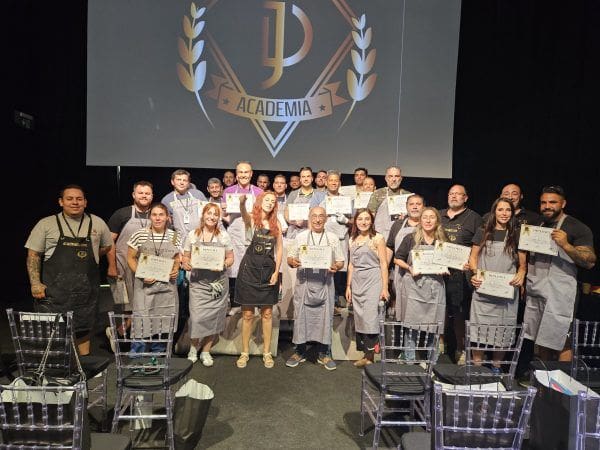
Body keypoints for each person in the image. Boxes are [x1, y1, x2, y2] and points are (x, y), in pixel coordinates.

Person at [25, 185, 112, 355]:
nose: (75, 202)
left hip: (86, 292)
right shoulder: (46, 224)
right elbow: (33, 254)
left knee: (84, 330)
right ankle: (56, 364)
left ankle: (83, 365)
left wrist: (92, 257)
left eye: (79, 199)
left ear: (85, 202)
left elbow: (106, 247)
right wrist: (35, 283)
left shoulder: (97, 223)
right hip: (54, 293)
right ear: (61, 202)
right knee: (54, 333)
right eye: (70, 199)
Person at [523, 186, 596, 361]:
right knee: (541, 338)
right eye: (543, 202)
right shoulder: (536, 226)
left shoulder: (576, 227)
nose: (547, 206)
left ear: (563, 204)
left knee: (562, 339)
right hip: (537, 289)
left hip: (560, 293)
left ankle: (562, 378)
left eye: (552, 202)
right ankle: (545, 376)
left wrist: (566, 245)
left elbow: (590, 261)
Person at [468, 197, 527, 372]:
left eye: (508, 210)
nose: (504, 213)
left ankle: (496, 366)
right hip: (483, 289)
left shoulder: (517, 234)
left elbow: (523, 264)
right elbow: (473, 257)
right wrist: (475, 273)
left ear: (512, 213)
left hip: (506, 290)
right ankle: (477, 366)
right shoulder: (483, 231)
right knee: (479, 329)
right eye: (500, 209)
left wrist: (521, 274)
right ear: (494, 212)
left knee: (503, 329)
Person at [286, 206, 345, 370]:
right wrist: (293, 262)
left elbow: (340, 261)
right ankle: (299, 351)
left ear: (326, 218)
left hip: (325, 284)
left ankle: (324, 353)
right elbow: (290, 258)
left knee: (325, 318)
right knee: (301, 317)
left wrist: (336, 266)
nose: (318, 219)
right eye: (314, 216)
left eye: (321, 216)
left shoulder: (332, 238)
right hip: (304, 284)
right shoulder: (301, 237)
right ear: (309, 218)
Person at [234, 191, 283, 368]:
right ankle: (245, 352)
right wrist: (242, 203)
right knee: (247, 315)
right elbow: (243, 213)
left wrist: (277, 272)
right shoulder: (251, 219)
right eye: (267, 200)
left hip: (268, 270)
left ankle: (267, 353)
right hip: (249, 270)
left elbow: (279, 249)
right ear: (260, 201)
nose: (270, 203)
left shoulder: (276, 223)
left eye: (273, 201)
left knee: (267, 314)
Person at [182, 203, 234, 366]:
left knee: (214, 317)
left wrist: (223, 264)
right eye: (209, 213)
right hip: (198, 283)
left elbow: (230, 258)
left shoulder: (223, 236)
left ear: (219, 218)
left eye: (215, 214)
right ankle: (193, 348)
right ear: (203, 215)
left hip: (217, 283)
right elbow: (185, 257)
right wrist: (186, 263)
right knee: (196, 318)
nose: (212, 217)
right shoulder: (192, 235)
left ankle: (206, 351)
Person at [394, 207, 448, 359]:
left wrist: (444, 269)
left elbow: (448, 262)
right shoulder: (410, 238)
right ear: (420, 220)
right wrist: (410, 268)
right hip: (414, 286)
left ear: (437, 220)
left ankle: (432, 361)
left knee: (433, 325)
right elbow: (397, 259)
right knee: (411, 325)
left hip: (435, 287)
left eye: (432, 217)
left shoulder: (443, 241)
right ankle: (409, 359)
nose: (428, 220)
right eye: (425, 217)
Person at [106, 181, 154, 349]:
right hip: (122, 267)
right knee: (122, 304)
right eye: (140, 193)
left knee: (141, 305)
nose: (144, 196)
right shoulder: (122, 214)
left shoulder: (156, 214)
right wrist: (112, 266)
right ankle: (119, 334)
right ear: (134, 195)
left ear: (152, 196)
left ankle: (122, 334)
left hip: (146, 268)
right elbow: (109, 243)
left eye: (147, 193)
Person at [127, 203, 181, 354]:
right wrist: (141, 274)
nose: (158, 218)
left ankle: (159, 354)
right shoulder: (139, 234)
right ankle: (138, 354)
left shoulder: (174, 236)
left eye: (161, 215)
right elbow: (130, 258)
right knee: (142, 318)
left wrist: (175, 269)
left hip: (167, 286)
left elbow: (177, 258)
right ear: (150, 217)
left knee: (164, 319)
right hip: (145, 285)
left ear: (167, 217)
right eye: (154, 215)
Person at [440, 184, 483, 363]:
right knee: (439, 310)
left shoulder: (474, 218)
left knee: (460, 314)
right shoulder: (438, 215)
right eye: (451, 193)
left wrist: (472, 264)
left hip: (462, 275)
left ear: (465, 198)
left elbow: (479, 247)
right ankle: (440, 347)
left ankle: (461, 349)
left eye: (458, 194)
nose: (454, 196)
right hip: (439, 272)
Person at [346, 209, 389, 367]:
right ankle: (365, 355)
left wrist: (385, 287)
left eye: (366, 219)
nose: (363, 222)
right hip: (357, 281)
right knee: (360, 317)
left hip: (373, 280)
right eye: (360, 219)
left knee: (370, 317)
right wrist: (348, 286)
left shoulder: (378, 238)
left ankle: (371, 356)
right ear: (355, 221)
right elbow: (351, 265)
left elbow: (383, 263)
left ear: (371, 221)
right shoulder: (352, 239)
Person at [223, 161, 264, 315]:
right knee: (234, 268)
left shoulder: (259, 191)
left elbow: (263, 212)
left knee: (254, 266)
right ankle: (235, 304)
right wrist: (223, 210)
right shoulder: (228, 191)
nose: (243, 175)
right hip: (234, 232)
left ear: (251, 174)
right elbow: (225, 215)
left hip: (253, 230)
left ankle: (255, 303)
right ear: (236, 174)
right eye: (240, 172)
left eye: (246, 172)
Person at [314, 170, 352, 307]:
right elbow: (313, 217)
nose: (334, 183)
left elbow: (354, 221)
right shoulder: (319, 199)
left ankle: (339, 297)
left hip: (342, 238)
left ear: (340, 183)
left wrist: (346, 220)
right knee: (325, 266)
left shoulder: (346, 200)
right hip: (325, 238)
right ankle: (326, 298)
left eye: (336, 180)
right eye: (331, 180)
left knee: (341, 268)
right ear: (326, 182)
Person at [386, 194, 425, 320]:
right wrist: (385, 270)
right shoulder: (397, 225)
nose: (415, 207)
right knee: (401, 307)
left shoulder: (427, 225)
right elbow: (389, 247)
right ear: (406, 207)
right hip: (400, 272)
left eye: (418, 204)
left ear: (423, 207)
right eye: (411, 204)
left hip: (421, 273)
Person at [367, 166, 411, 241]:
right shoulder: (378, 194)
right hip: (381, 235)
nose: (394, 179)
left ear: (401, 178)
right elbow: (370, 216)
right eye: (390, 176)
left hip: (401, 236)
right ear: (386, 178)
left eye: (396, 176)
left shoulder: (408, 195)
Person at [284, 167, 325, 240]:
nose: (306, 179)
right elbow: (286, 213)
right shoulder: (293, 194)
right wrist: (295, 222)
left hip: (314, 232)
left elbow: (324, 214)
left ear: (312, 178)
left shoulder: (319, 194)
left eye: (308, 176)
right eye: (303, 177)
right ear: (300, 179)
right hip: (294, 232)